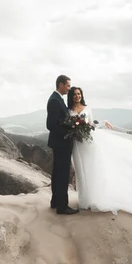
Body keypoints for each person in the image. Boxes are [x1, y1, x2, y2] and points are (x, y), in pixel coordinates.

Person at [67, 86, 132, 219]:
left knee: (92, 168)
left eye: (79, 94)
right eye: (75, 94)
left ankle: (95, 198)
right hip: (77, 144)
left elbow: (91, 124)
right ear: (71, 96)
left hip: (88, 142)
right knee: (81, 170)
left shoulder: (87, 108)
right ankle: (84, 199)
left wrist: (104, 123)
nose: (77, 96)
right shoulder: (68, 110)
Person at [46, 75, 79, 215]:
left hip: (59, 143)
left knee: (57, 173)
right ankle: (62, 206)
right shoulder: (54, 100)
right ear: (60, 84)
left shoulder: (57, 99)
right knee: (63, 174)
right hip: (61, 143)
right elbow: (50, 125)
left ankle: (55, 201)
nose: (69, 88)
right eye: (68, 86)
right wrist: (68, 134)